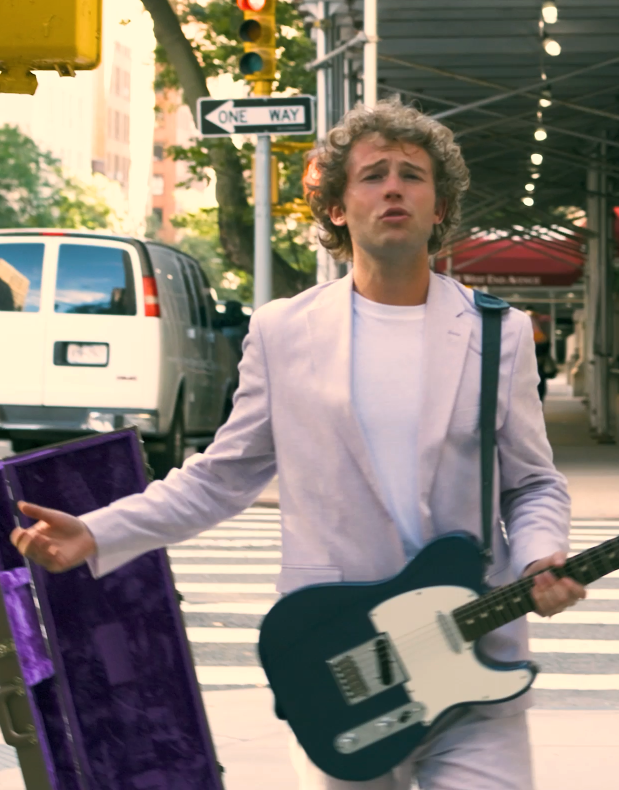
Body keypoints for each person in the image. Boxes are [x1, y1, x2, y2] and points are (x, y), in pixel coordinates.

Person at [11, 99, 585, 790]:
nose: (394, 187)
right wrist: (98, 533)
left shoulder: (501, 333)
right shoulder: (285, 332)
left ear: (441, 208)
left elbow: (533, 482)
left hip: (471, 657)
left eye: (413, 175)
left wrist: (539, 555)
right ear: (337, 209)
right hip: (341, 659)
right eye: (373, 175)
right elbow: (219, 478)